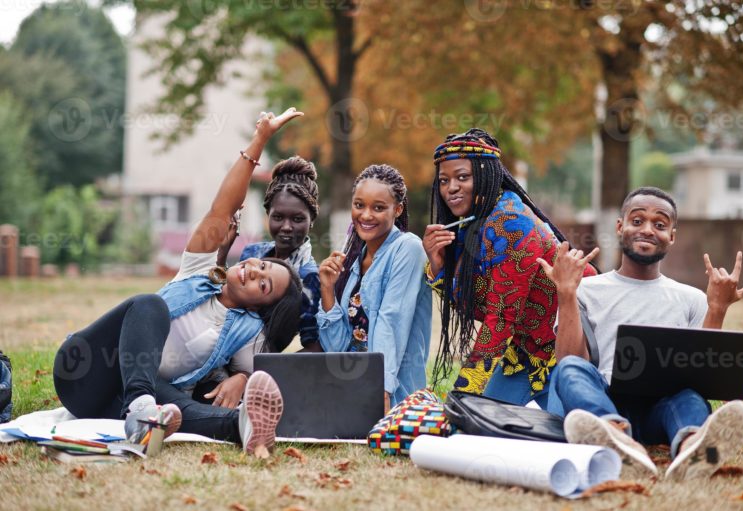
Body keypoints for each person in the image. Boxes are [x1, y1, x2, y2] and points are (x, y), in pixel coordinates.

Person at [53, 108, 305, 458]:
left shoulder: (246, 331)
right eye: (261, 265)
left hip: (112, 405)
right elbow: (222, 208)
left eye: (264, 285)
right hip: (84, 372)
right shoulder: (198, 271)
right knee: (148, 304)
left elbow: (267, 370)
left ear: (258, 307)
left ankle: (243, 428)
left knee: (174, 407)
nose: (254, 271)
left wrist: (244, 379)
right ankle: (143, 410)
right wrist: (260, 139)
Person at [540, 186, 743, 480]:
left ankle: (693, 446)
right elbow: (569, 357)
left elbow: (702, 376)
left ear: (672, 236)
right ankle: (617, 436)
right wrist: (566, 293)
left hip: (661, 410)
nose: (647, 230)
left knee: (690, 395)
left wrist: (716, 308)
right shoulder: (586, 290)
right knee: (569, 370)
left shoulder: (691, 299)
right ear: (620, 227)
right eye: (637, 220)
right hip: (601, 404)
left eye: (660, 224)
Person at [422, 128, 595, 406]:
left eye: (462, 177)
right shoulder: (473, 222)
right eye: (444, 181)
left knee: (564, 434)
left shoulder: (510, 223)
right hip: (525, 352)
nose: (451, 187)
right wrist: (439, 265)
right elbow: (475, 304)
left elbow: (500, 321)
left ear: (485, 175)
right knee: (475, 428)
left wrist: (462, 394)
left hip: (572, 350)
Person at [317, 164, 432, 409]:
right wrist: (327, 290)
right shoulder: (352, 259)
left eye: (378, 208)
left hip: (393, 395)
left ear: (398, 210)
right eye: (359, 205)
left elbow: (392, 320)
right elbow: (336, 347)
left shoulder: (408, 248)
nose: (366, 215)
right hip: (350, 389)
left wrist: (381, 392)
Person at [224, 156, 322, 352]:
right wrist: (223, 251)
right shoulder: (253, 253)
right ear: (267, 215)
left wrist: (271, 368)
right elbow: (224, 299)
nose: (286, 227)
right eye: (278, 217)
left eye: (297, 219)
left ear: (312, 220)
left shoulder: (310, 278)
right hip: (218, 345)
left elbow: (314, 346)